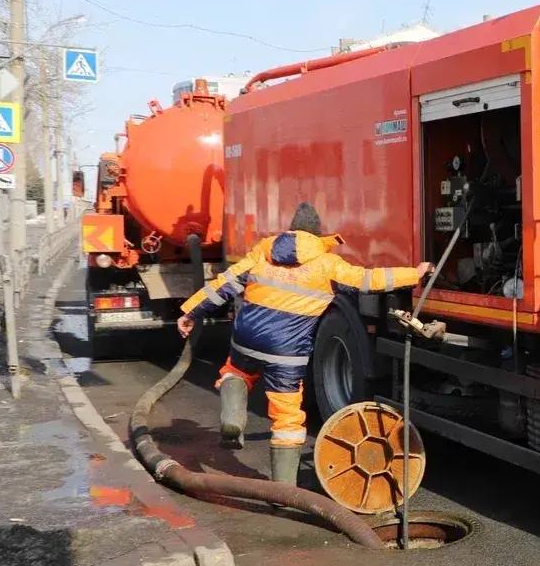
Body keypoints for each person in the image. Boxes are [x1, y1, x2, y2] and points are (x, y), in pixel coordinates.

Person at [177, 203, 430, 485]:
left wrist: (190, 313)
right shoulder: (327, 264)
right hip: (286, 351)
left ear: (291, 229)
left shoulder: (263, 251)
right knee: (287, 418)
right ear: (317, 234)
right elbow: (368, 280)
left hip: (246, 339)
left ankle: (232, 420)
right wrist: (415, 274)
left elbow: (222, 286)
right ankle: (284, 491)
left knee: (235, 372)